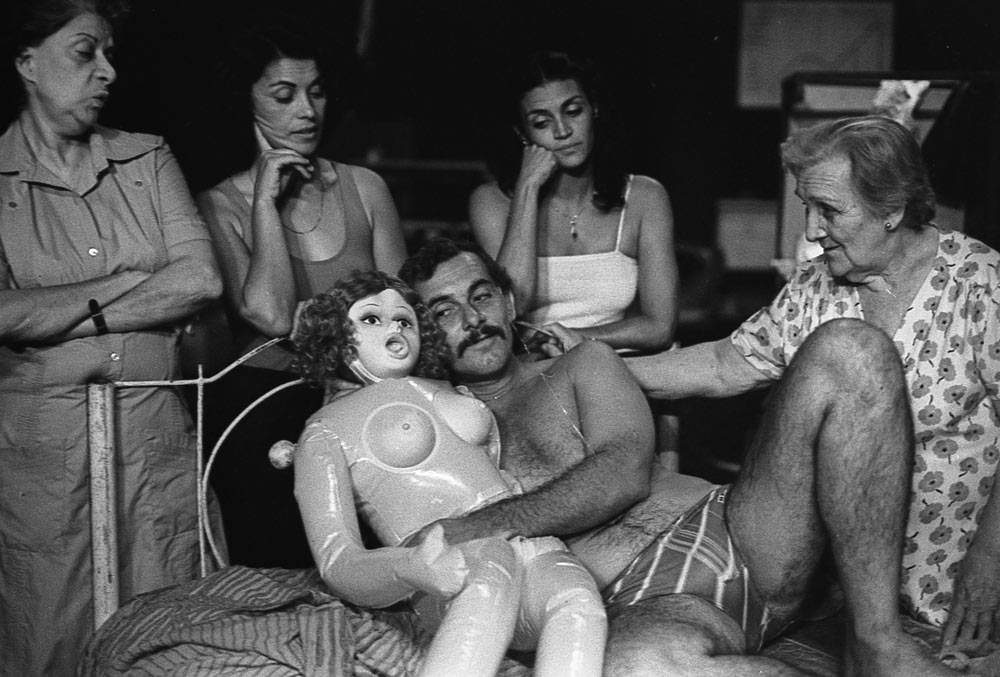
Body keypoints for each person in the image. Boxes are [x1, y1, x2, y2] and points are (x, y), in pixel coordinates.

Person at [399, 237, 963, 676]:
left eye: (481, 296)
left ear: (508, 301)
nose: (472, 319)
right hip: (647, 602)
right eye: (444, 312)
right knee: (632, 669)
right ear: (423, 334)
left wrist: (480, 525)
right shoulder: (431, 435)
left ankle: (877, 639)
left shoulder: (582, 365)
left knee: (849, 348)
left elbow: (623, 473)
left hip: (737, 531)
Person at [630, 115, 1000, 651]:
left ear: (892, 209)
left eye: (829, 210)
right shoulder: (816, 285)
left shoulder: (980, 283)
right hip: (841, 595)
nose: (810, 231)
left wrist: (988, 566)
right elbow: (726, 364)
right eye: (807, 207)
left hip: (958, 586)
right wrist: (596, 367)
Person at [0, 0, 223, 673]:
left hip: (156, 449)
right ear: (27, 62)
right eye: (85, 52)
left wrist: (69, 317)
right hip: (42, 467)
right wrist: (130, 284)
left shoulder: (146, 158)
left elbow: (200, 279)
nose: (107, 71)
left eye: (109, 54)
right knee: (48, 643)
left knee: (172, 640)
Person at [280, 269, 606, 676]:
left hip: (528, 539)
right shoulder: (325, 430)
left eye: (405, 320)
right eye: (372, 318)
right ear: (334, 332)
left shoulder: (447, 390)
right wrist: (407, 567)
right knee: (487, 581)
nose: (394, 329)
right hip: (448, 558)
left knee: (579, 603)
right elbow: (338, 561)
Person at [195, 16, 407, 567]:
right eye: (284, 96)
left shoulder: (365, 188)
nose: (308, 111)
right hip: (267, 415)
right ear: (246, 101)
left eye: (317, 92)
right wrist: (265, 205)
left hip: (365, 407)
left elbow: (402, 318)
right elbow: (269, 315)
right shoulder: (221, 205)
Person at [468, 50, 677, 358]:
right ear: (522, 133)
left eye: (573, 111)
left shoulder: (645, 197)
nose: (563, 131)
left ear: (594, 109)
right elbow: (512, 306)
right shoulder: (491, 202)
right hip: (535, 369)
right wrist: (527, 188)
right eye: (542, 122)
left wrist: (575, 338)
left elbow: (660, 327)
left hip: (619, 363)